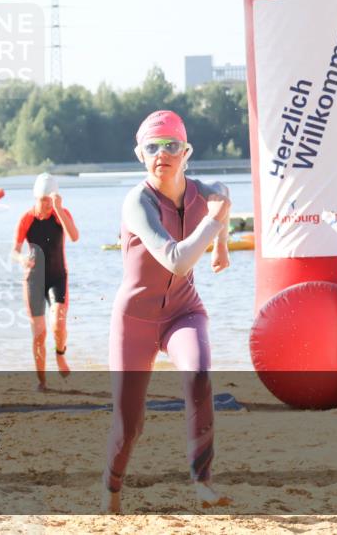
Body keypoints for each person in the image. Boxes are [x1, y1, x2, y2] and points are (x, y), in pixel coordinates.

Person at [105, 110, 232, 513]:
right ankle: (110, 489)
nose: (163, 153)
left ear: (187, 151)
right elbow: (176, 260)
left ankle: (203, 483)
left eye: (172, 145)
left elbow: (223, 198)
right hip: (135, 320)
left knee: (197, 377)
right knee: (130, 423)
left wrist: (223, 246)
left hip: (183, 312)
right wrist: (213, 229)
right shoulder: (136, 202)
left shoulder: (206, 192)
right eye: (153, 147)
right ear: (140, 154)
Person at [12, 173, 79, 391]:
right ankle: (41, 381)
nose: (48, 205)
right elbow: (14, 251)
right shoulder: (26, 218)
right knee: (39, 333)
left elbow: (75, 236)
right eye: (44, 201)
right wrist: (22, 258)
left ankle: (60, 354)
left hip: (57, 277)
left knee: (58, 324)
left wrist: (59, 209)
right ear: (36, 198)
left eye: (51, 200)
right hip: (34, 281)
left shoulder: (60, 214)